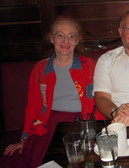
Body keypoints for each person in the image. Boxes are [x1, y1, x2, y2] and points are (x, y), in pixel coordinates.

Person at [0, 16, 104, 168]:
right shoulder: (40, 69)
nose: (66, 41)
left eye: (71, 36)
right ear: (51, 38)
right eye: (60, 35)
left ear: (77, 40)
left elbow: (99, 99)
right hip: (49, 124)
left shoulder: (89, 65)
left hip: (81, 122)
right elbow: (33, 106)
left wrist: (96, 131)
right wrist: (24, 138)